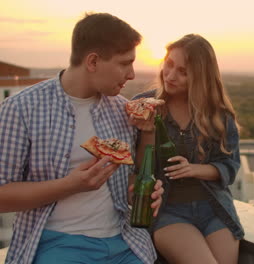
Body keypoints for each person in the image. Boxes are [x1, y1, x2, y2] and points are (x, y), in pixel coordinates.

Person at [0, 13, 163, 264]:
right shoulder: (21, 109)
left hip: (124, 241)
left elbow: (130, 181)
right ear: (93, 61)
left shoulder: (122, 110)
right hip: (55, 243)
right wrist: (70, 185)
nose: (131, 74)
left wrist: (143, 193)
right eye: (124, 63)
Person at [129, 33, 243, 264]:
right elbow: (140, 171)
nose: (170, 76)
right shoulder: (145, 105)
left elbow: (230, 167)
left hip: (215, 208)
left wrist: (194, 169)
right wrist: (149, 131)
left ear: (200, 77)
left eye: (183, 72)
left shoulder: (218, 115)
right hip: (168, 211)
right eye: (169, 65)